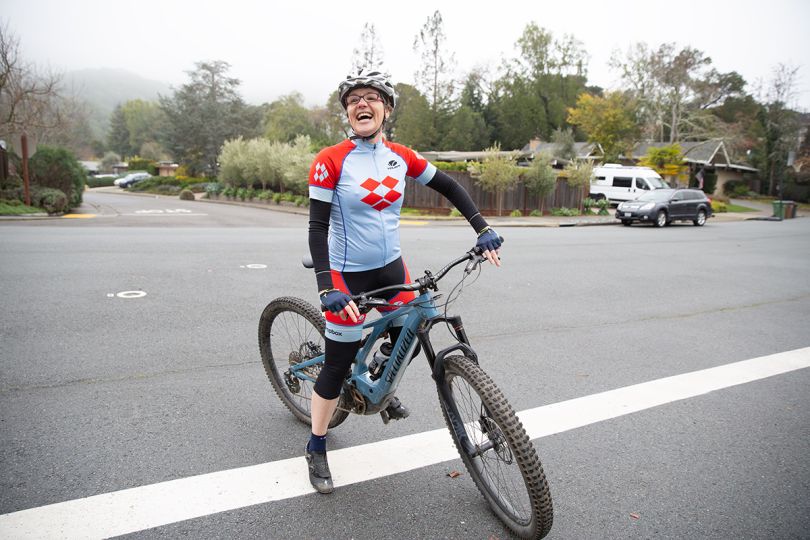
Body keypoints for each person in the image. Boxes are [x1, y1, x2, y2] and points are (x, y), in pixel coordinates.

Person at [305, 70, 502, 494]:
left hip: (392, 269)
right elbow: (316, 227)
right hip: (346, 276)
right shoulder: (330, 160)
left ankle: (379, 375)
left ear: (386, 108)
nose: (362, 104)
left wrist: (481, 227)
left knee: (413, 332)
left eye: (371, 97)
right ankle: (316, 444)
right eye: (354, 99)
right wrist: (327, 288)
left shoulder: (401, 156)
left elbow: (448, 185)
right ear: (347, 111)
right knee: (337, 364)